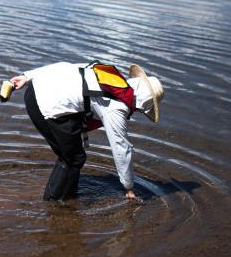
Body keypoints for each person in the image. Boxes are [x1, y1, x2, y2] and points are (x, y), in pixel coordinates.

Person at [8, 61, 164, 202]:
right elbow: (121, 148)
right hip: (45, 104)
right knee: (73, 159)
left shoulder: (110, 77)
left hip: (35, 88)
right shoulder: (116, 107)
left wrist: (27, 76)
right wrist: (129, 187)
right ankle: (53, 203)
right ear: (142, 104)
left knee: (71, 155)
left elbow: (65, 67)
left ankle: (69, 197)